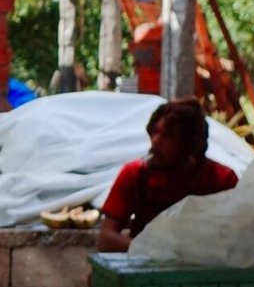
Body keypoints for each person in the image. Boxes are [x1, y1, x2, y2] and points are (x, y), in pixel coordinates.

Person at [96, 97, 238, 251]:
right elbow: (106, 238)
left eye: (168, 136)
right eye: (156, 131)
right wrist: (153, 251)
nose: (156, 141)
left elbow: (238, 236)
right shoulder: (135, 174)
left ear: (189, 145)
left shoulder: (222, 179)